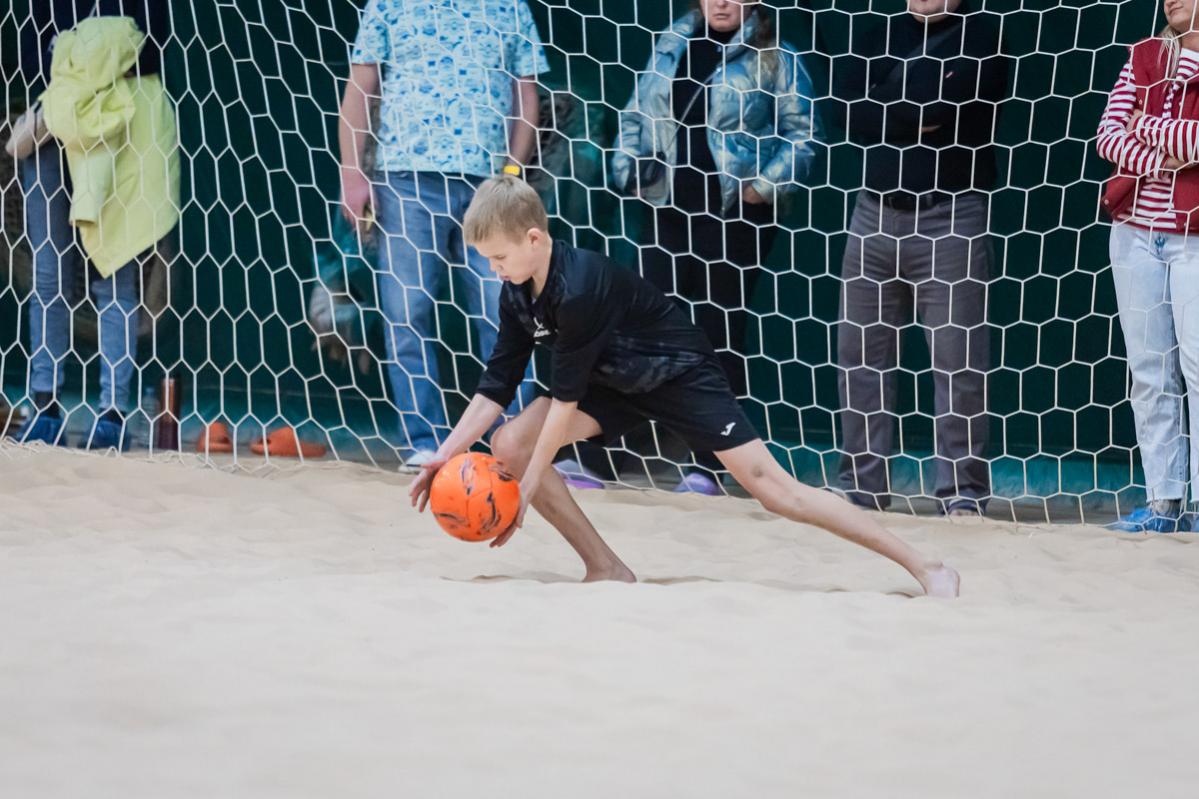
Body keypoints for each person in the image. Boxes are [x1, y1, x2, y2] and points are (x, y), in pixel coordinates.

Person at [409, 176, 959, 597]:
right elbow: (496, 385)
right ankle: (606, 567)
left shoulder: (578, 286)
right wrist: (445, 456)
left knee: (776, 491)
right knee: (509, 441)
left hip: (677, 373)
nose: (494, 269)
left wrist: (525, 490)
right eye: (487, 260)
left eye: (499, 257)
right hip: (612, 381)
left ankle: (926, 566)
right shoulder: (517, 291)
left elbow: (565, 401)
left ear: (534, 238)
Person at [611, 0, 819, 496]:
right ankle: (610, 453)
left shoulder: (777, 55)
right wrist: (626, 170)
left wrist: (760, 189)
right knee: (640, 332)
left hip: (733, 218)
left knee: (717, 336)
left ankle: (708, 465)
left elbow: (804, 135)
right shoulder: (670, 44)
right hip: (666, 209)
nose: (721, 2)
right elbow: (634, 115)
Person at [339, 0, 547, 473]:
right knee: (406, 311)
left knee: (505, 312)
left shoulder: (510, 6)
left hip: (488, 183)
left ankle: (513, 444)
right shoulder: (388, 4)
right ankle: (424, 442)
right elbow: (360, 88)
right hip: (405, 179)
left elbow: (526, 95)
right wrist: (352, 174)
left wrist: (513, 172)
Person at [831, 0, 1008, 516]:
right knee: (859, 359)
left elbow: (944, 107)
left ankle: (962, 493)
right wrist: (906, 110)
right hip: (872, 213)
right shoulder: (875, 32)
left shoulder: (982, 36)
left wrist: (884, 103)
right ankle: (861, 489)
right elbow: (846, 111)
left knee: (958, 361)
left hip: (950, 216)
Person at [15, 0, 173, 450]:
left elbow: (152, 51)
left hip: (120, 130)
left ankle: (113, 416)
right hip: (53, 128)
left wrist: (73, 55)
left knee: (115, 270)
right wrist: (109, 52)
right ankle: (44, 407)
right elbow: (33, 59)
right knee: (49, 274)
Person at [1096, 0, 1199, 532]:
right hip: (1135, 231)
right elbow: (1109, 136)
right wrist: (1169, 157)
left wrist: (1147, 125)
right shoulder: (1144, 55)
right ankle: (1164, 501)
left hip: (1194, 236)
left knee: (1198, 368)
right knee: (1149, 371)